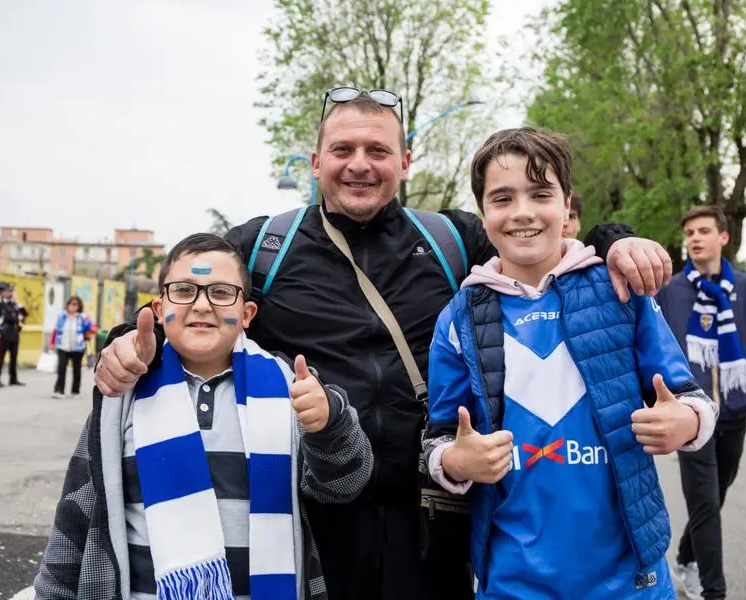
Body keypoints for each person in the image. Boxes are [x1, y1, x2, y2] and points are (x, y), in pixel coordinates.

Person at [93, 90, 674, 600]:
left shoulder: (450, 238)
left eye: (377, 151)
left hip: (431, 518)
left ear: (405, 161)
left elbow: (539, 249)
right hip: (311, 511)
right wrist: (128, 339)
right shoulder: (266, 244)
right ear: (317, 161)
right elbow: (192, 292)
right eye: (343, 150)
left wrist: (617, 241)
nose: (359, 165)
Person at [422, 128, 716, 599]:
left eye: (540, 194)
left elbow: (692, 398)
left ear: (566, 207)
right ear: (484, 214)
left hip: (630, 582)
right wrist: (455, 461)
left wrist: (684, 420)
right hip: (512, 582)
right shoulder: (458, 318)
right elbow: (437, 439)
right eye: (502, 198)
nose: (522, 212)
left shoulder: (620, 292)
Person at [34, 233, 373, 600]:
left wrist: (329, 424)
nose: (201, 306)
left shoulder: (292, 388)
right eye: (184, 290)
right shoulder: (121, 396)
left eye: (221, 293)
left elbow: (344, 486)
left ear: (246, 314)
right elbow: (75, 517)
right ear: (160, 307)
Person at [656, 205, 746, 600]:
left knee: (716, 498)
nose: (694, 238)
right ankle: (714, 591)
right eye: (689, 232)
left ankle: (686, 554)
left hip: (733, 418)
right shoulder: (671, 290)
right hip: (693, 420)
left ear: (723, 238)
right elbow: (655, 346)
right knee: (706, 503)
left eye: (703, 231)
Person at [49, 295, 97, 398]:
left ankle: (75, 391)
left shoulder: (82, 317)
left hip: (78, 348)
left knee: (77, 370)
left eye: (75, 304)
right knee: (61, 369)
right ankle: (59, 390)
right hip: (62, 347)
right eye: (70, 304)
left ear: (79, 306)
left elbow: (93, 328)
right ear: (67, 305)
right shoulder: (61, 316)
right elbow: (56, 330)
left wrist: (88, 333)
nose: (72, 306)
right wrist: (52, 343)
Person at [4, 286, 29, 386]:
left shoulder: (15, 304)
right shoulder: (3, 303)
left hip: (14, 334)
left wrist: (17, 302)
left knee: (14, 357)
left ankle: (13, 379)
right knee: (0, 357)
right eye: (12, 292)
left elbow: (25, 313)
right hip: (5, 333)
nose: (14, 294)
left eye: (14, 292)